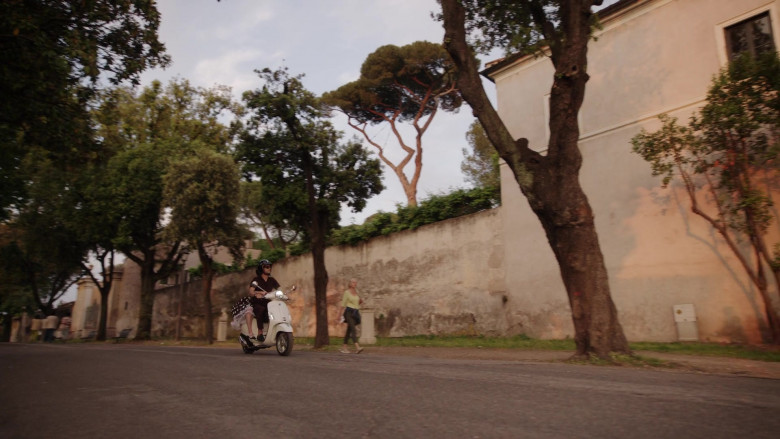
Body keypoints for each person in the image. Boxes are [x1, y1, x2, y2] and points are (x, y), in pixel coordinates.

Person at [230, 259, 280, 344]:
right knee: (260, 309)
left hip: (268, 302)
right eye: (267, 267)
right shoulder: (256, 280)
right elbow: (251, 291)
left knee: (276, 311)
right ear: (261, 268)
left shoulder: (272, 280)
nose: (269, 268)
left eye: (270, 267)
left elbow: (279, 289)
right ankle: (260, 333)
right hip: (257, 302)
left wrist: (284, 294)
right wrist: (259, 292)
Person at [338, 278, 364, 354]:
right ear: (349, 283)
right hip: (348, 312)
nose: (354, 283)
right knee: (353, 328)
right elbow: (343, 305)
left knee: (349, 329)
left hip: (355, 312)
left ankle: (344, 347)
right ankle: (357, 347)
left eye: (355, 282)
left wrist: (360, 301)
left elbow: (357, 304)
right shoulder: (346, 292)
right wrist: (339, 315)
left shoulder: (356, 292)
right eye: (353, 282)